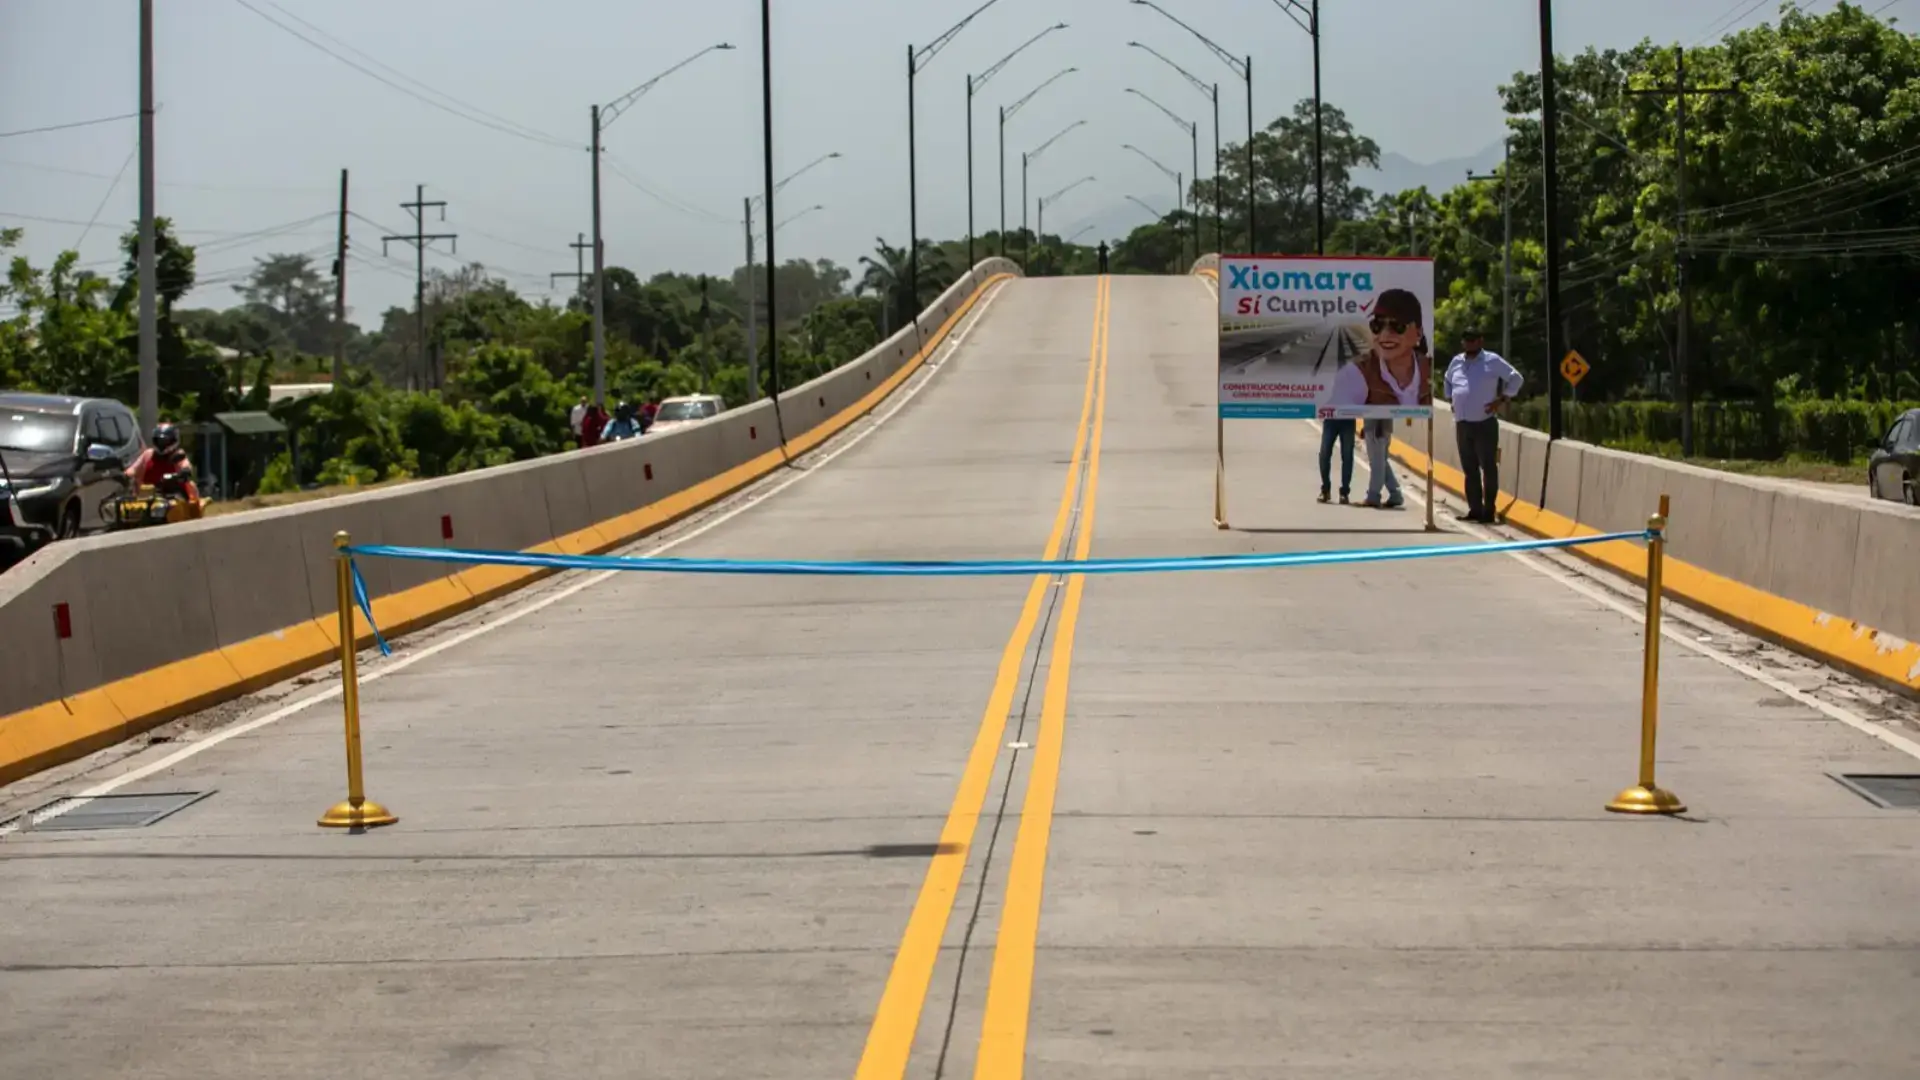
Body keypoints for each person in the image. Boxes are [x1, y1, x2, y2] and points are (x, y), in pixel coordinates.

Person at [1443, 327, 1523, 523]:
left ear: (1480, 341)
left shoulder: (1492, 360)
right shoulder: (1457, 361)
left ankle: (1489, 510)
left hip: (1484, 422)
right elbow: (1447, 380)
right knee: (1469, 469)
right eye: (1465, 340)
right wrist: (1451, 399)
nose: (1469, 343)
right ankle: (1474, 509)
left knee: (1488, 467)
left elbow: (1516, 378)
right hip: (1462, 422)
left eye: (1472, 339)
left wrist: (1502, 399)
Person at [126, 422, 200, 501]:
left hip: (174, 495)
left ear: (173, 440)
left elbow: (186, 466)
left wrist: (184, 472)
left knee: (189, 487)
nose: (162, 444)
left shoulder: (178, 455)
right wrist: (125, 475)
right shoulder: (148, 454)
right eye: (159, 441)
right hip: (148, 496)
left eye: (165, 441)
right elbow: (133, 470)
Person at [1317, 417, 1356, 504]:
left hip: (1348, 419)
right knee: (1324, 454)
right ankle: (1325, 489)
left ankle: (1344, 492)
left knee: (1347, 456)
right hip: (1331, 418)